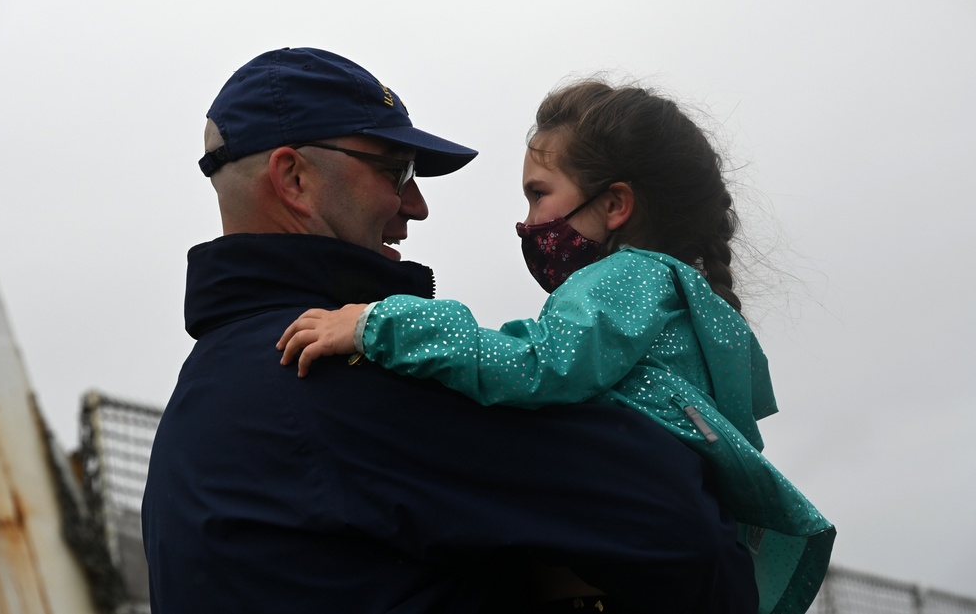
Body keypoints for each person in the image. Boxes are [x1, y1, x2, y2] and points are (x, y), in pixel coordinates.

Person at [141, 47, 760, 614]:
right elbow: (680, 525)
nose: (418, 206)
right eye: (397, 171)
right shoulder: (331, 371)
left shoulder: (207, 391)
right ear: (294, 178)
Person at [277, 80, 836, 613]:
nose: (527, 223)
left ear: (616, 205)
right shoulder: (687, 306)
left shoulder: (625, 275)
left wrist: (381, 323)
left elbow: (539, 366)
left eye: (538, 195)